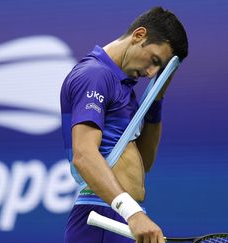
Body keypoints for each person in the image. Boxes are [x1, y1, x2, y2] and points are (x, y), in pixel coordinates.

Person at [60, 6, 188, 243]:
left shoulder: (124, 87)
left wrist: (156, 99)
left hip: (122, 215)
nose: (151, 73)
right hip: (103, 217)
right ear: (139, 35)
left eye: (159, 70)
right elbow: (84, 155)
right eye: (154, 61)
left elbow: (143, 164)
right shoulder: (95, 75)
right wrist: (133, 213)